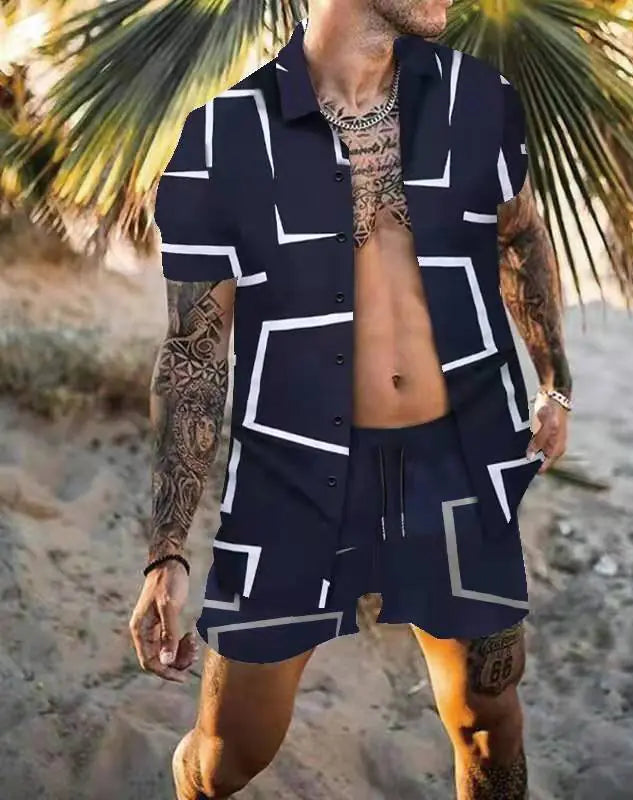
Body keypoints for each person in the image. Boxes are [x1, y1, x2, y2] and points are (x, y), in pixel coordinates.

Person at [129, 0, 573, 797]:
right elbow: (196, 352)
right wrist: (167, 548)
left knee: (486, 719)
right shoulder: (222, 139)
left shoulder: (480, 99)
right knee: (230, 755)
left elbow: (519, 230)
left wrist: (555, 382)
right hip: (292, 473)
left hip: (456, 461)